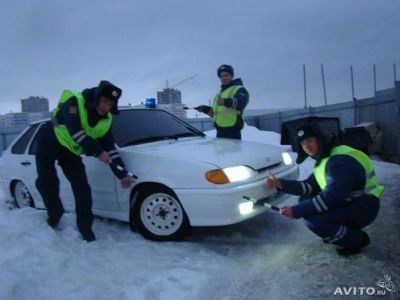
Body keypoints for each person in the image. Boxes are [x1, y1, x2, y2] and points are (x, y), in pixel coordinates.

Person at [35, 80, 134, 242]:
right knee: (48, 182)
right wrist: (98, 151)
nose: (105, 107)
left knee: (82, 187)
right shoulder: (74, 102)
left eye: (110, 104)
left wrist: (122, 174)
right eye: (104, 101)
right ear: (97, 98)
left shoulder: (106, 120)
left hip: (70, 150)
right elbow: (77, 132)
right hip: (48, 141)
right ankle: (55, 214)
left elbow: (110, 149)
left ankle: (85, 228)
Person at [266, 122, 383, 256]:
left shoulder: (338, 161)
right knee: (304, 200)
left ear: (318, 139)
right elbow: (308, 187)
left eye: (309, 140)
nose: (307, 146)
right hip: (351, 201)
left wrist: (295, 211)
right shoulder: (326, 158)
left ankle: (357, 240)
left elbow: (331, 198)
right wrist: (279, 183)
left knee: (314, 220)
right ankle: (338, 230)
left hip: (364, 206)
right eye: (303, 144)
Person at [194, 64, 249, 139]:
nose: (223, 78)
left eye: (226, 75)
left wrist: (225, 102)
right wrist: (204, 109)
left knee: (233, 151)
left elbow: (241, 102)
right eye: (221, 76)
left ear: (231, 76)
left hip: (233, 132)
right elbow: (215, 113)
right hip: (219, 131)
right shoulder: (219, 93)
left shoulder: (239, 89)